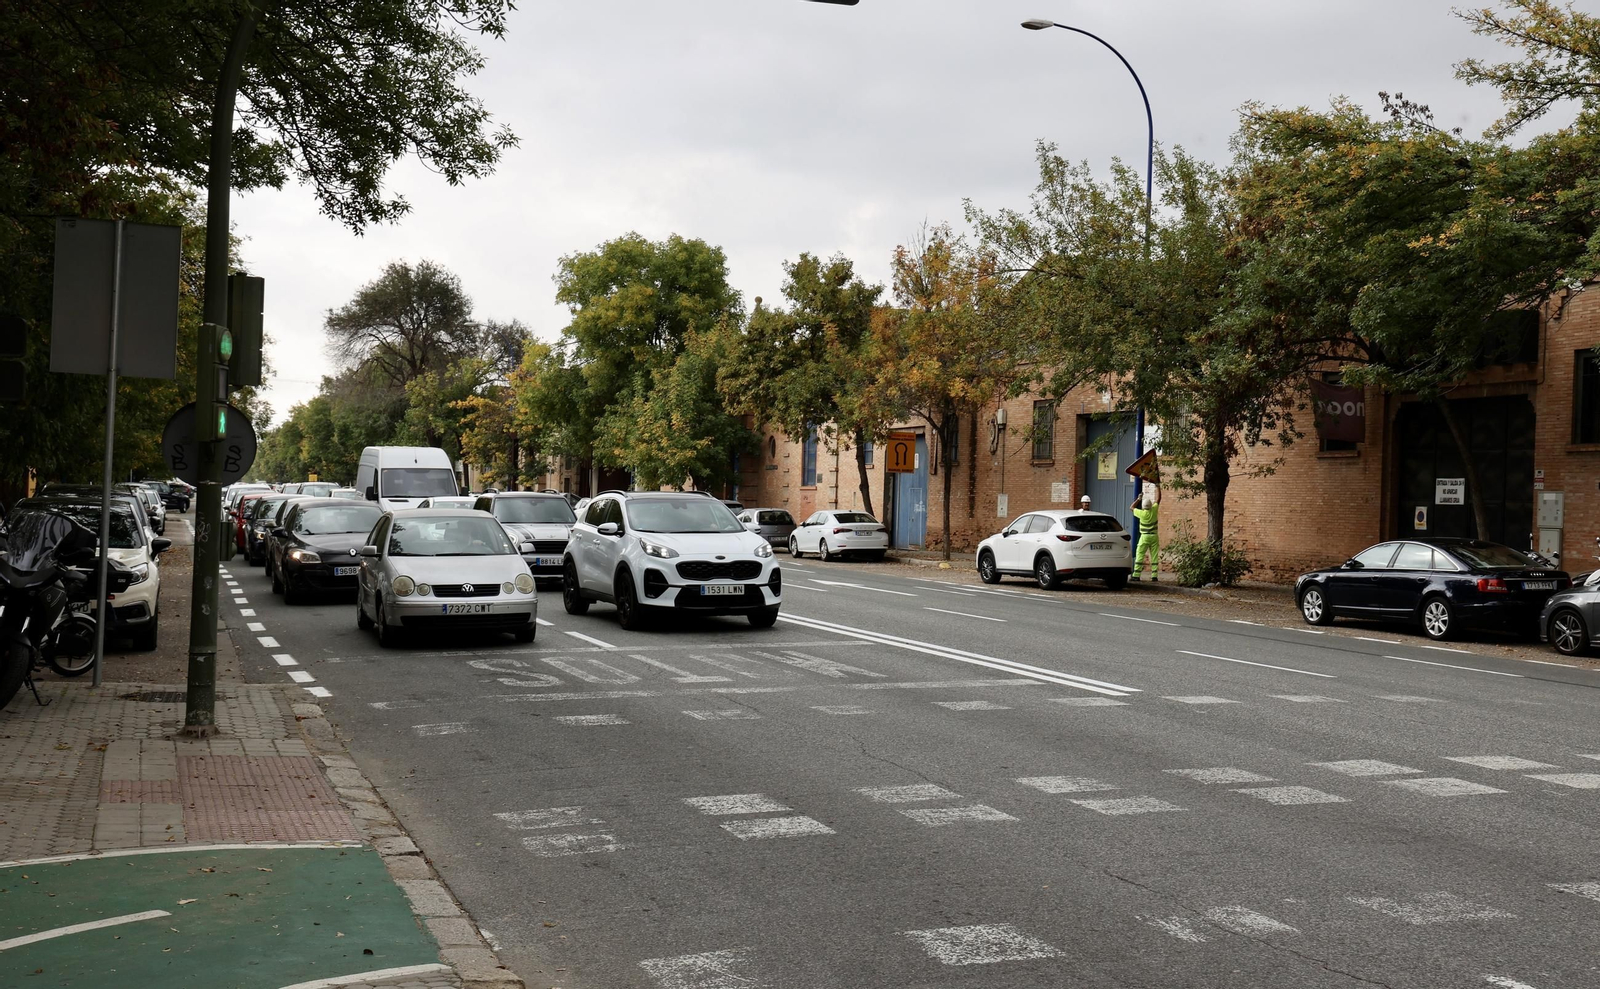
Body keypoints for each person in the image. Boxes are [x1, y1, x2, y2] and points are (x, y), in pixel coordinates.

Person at [1129, 486, 1161, 582]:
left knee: (1140, 554)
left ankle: (1136, 575)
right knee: (1154, 555)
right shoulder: (1154, 510)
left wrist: (1138, 499)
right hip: (1154, 536)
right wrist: (1158, 486)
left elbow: (1131, 507)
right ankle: (1154, 576)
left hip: (1144, 537)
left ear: (1143, 507)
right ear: (1151, 506)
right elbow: (1158, 499)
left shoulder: (1141, 513)